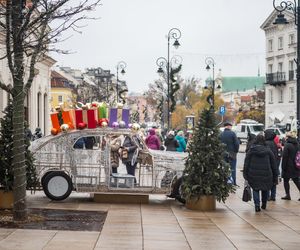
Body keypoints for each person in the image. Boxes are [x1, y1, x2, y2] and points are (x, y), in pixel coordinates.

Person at [243, 134, 278, 212]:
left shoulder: (251, 150)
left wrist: (245, 174)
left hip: (253, 174)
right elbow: (273, 165)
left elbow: (246, 163)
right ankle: (264, 204)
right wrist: (275, 176)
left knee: (255, 189)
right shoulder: (268, 151)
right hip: (266, 174)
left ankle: (257, 206)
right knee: (265, 189)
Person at [281, 131, 300, 201]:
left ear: (288, 137)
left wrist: (283, 167)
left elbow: (285, 157)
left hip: (288, 167)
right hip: (296, 165)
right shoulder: (297, 144)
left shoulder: (287, 145)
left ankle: (287, 195)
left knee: (286, 180)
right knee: (296, 181)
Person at [220, 121, 240, 185]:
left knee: (224, 168)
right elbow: (237, 144)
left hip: (223, 153)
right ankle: (233, 182)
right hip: (232, 154)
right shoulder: (233, 134)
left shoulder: (221, 134)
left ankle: (225, 181)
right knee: (233, 168)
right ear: (229, 126)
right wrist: (236, 151)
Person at [265, 130, 280, 201]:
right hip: (275, 164)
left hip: (268, 165)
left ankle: (267, 196)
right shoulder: (274, 143)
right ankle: (273, 196)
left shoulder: (266, 143)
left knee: (268, 181)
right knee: (274, 181)